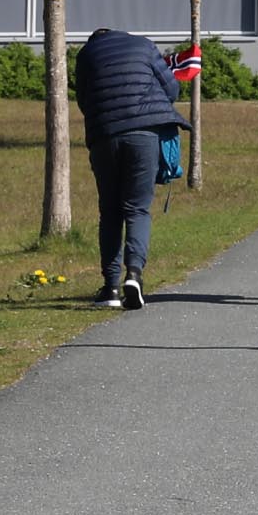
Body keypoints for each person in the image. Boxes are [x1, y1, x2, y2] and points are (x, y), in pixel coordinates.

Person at [73, 23, 181, 310]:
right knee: (137, 208)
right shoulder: (144, 45)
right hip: (143, 134)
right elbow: (172, 88)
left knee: (110, 211)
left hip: (104, 136)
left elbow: (83, 99)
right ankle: (134, 275)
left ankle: (109, 288)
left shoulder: (86, 54)